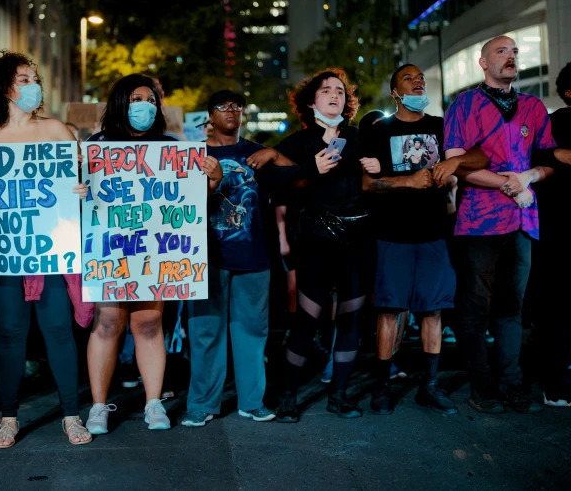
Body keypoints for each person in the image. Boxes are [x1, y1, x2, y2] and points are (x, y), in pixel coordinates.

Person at [0, 52, 90, 448]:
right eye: (24, 78)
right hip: (4, 252)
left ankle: (71, 414)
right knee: (10, 332)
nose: (34, 85)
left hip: (51, 250)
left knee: (58, 330)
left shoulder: (58, 131)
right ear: (3, 87)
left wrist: (81, 191)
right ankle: (8, 418)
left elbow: (78, 184)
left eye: (35, 78)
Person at [247, 68, 381, 420]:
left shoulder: (360, 137)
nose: (335, 95)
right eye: (326, 90)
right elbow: (266, 175)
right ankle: (288, 396)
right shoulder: (300, 141)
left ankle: (339, 395)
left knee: (351, 320)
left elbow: (386, 176)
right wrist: (310, 168)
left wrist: (378, 166)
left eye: (340, 91)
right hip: (317, 240)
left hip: (358, 240)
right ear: (312, 101)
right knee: (308, 320)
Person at [361, 63, 489, 416]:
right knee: (390, 311)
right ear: (395, 92)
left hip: (434, 236)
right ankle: (383, 385)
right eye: (408, 78)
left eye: (420, 78)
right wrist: (408, 182)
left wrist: (455, 162)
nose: (418, 82)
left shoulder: (441, 126)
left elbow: (482, 154)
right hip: (392, 236)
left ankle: (429, 387)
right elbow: (367, 185)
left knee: (433, 311)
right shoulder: (379, 131)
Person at [444, 35, 556, 414]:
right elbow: (458, 162)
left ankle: (511, 383)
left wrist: (532, 177)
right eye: (501, 52)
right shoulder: (465, 104)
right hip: (479, 222)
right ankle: (482, 386)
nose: (510, 57)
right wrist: (512, 182)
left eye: (514, 52)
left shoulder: (533, 107)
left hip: (523, 221)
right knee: (475, 309)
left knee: (512, 308)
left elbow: (547, 160)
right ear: (482, 62)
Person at [84, 73, 175, 434]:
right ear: (122, 102)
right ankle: (97, 407)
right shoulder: (98, 144)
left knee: (149, 324)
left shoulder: (171, 147)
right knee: (108, 324)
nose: (145, 106)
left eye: (151, 101)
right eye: (138, 99)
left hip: (152, 251)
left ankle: (154, 404)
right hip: (110, 251)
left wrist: (211, 177)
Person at [179, 90, 275, 428]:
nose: (231, 111)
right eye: (222, 106)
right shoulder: (192, 155)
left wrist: (274, 152)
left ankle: (252, 401)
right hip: (206, 258)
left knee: (252, 331)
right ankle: (202, 403)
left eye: (237, 106)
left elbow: (294, 179)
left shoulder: (258, 153)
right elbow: (180, 206)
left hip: (253, 254)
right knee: (205, 332)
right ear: (209, 116)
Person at [531, 61, 571, 406]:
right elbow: (540, 153)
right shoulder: (557, 121)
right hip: (558, 231)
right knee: (557, 310)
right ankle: (553, 382)